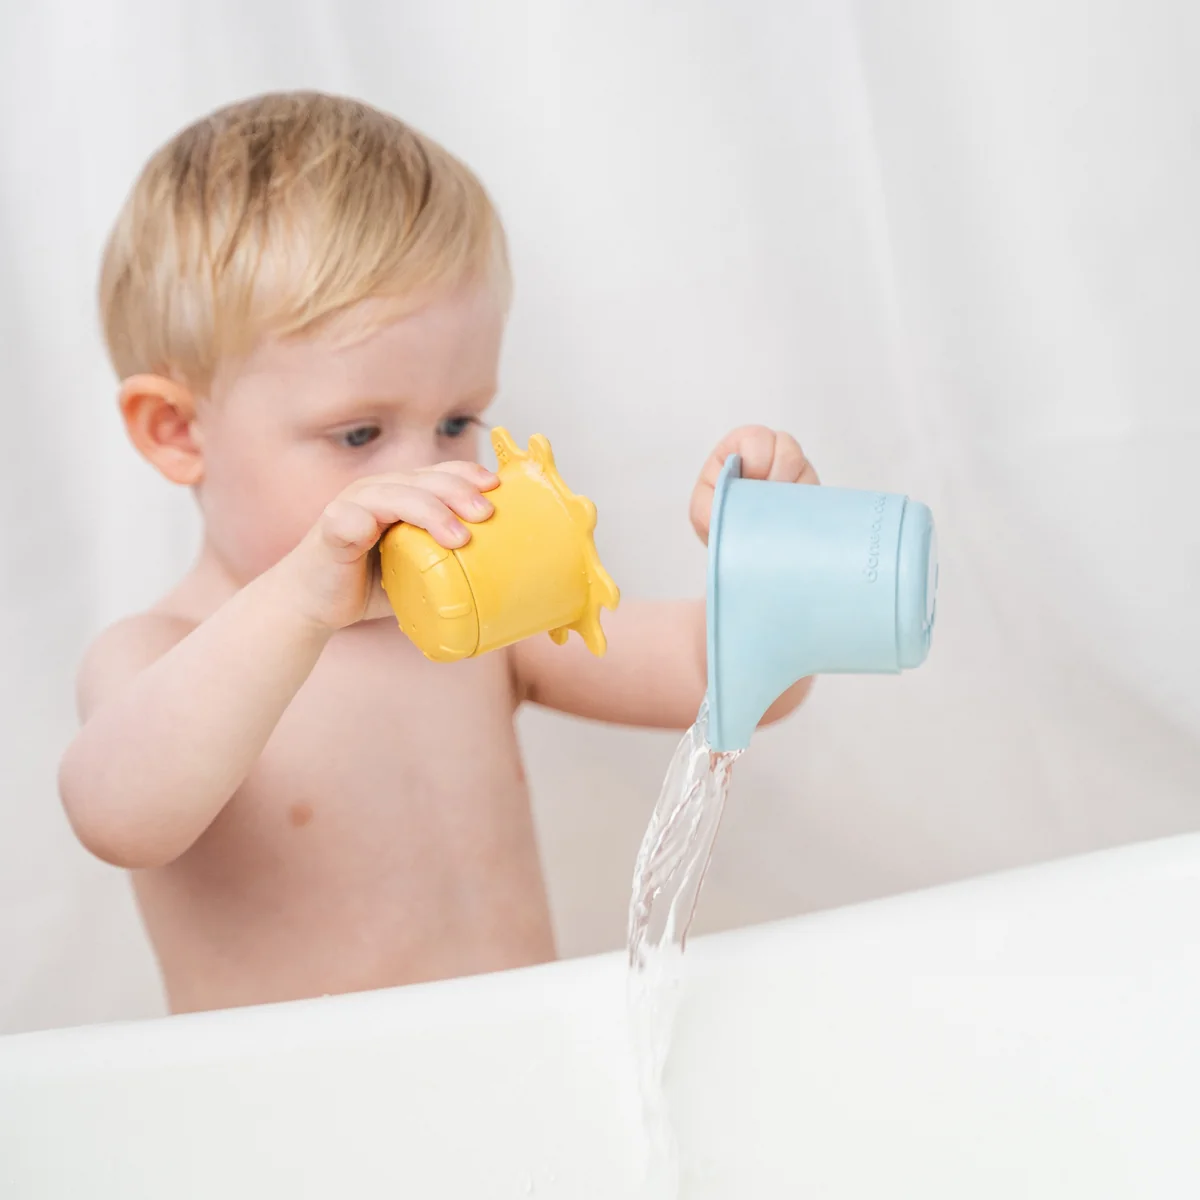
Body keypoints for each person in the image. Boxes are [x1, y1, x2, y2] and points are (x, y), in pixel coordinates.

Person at [58, 91, 817, 1014]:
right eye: (359, 434)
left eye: (458, 421)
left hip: (513, 1076)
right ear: (176, 431)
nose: (429, 474)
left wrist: (774, 562)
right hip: (301, 1102)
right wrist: (300, 601)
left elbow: (735, 685)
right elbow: (118, 819)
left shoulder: (481, 627)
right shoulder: (160, 653)